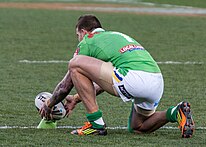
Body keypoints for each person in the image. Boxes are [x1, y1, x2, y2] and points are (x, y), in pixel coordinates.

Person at [40, 14, 195, 137]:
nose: (78, 40)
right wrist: (75, 99)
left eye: (77, 35)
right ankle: (176, 112)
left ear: (84, 32)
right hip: (156, 81)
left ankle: (96, 125)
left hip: (134, 78)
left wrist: (49, 104)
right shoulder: (115, 37)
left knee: (75, 64)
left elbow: (65, 85)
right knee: (138, 127)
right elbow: (105, 80)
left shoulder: (88, 40)